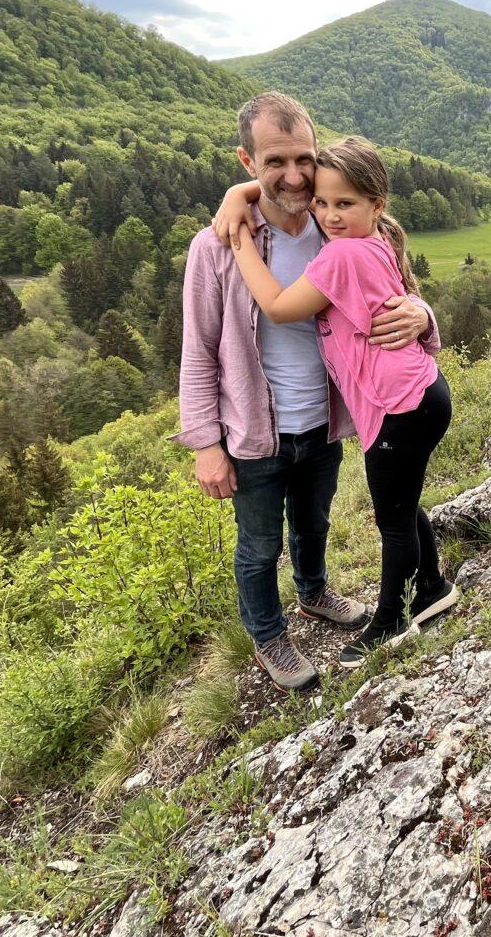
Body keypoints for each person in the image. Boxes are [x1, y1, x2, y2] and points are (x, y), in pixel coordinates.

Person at [174, 92, 438, 693]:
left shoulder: (332, 227)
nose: (292, 176)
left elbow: (397, 292)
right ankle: (269, 635)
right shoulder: (215, 246)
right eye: (274, 163)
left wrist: (423, 314)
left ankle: (315, 593)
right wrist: (204, 445)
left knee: (314, 523)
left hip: (325, 421)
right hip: (254, 431)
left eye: (303, 159)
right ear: (247, 161)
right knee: (259, 545)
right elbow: (197, 350)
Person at [221, 136, 457, 668]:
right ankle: (433, 587)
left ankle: (391, 618)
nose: (328, 214)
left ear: (377, 204)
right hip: (421, 393)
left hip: (398, 405)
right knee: (404, 499)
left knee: (391, 518)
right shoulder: (375, 240)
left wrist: (239, 239)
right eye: (322, 203)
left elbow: (280, 307)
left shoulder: (343, 254)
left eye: (343, 204)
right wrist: (243, 192)